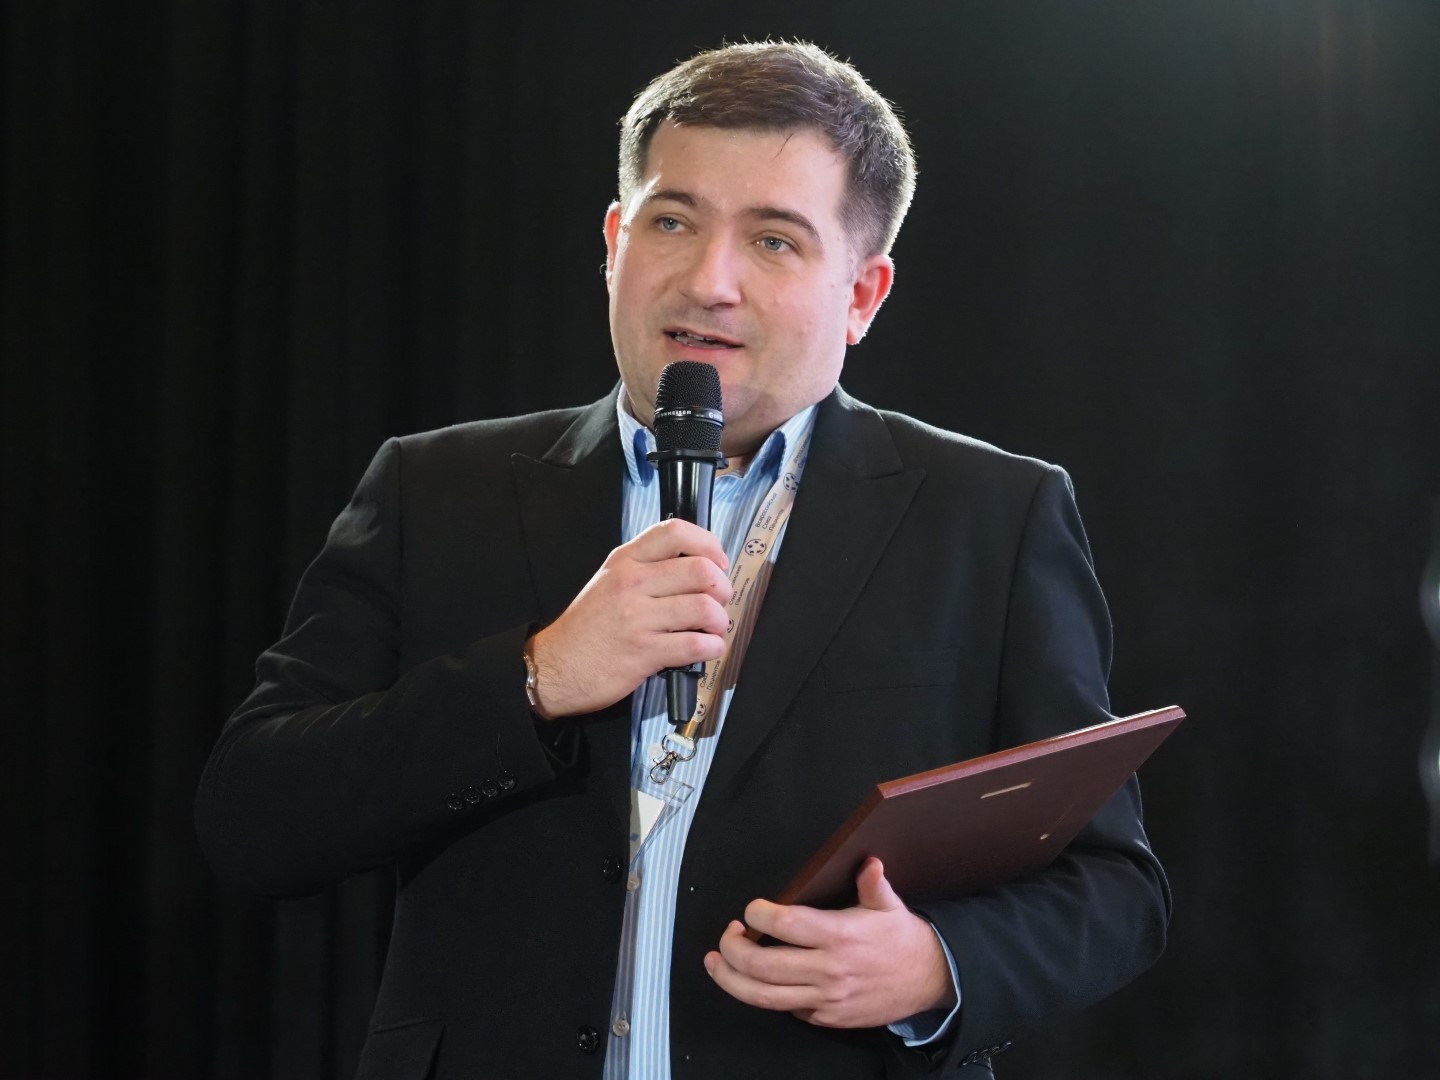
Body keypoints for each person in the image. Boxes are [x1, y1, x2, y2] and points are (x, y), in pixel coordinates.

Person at [195, 40, 1169, 1079]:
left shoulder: (993, 515)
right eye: (672, 222)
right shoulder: (434, 490)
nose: (709, 282)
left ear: (863, 294)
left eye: (775, 241)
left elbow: (1113, 886)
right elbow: (254, 819)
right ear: (614, 243)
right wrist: (537, 677)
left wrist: (938, 964)